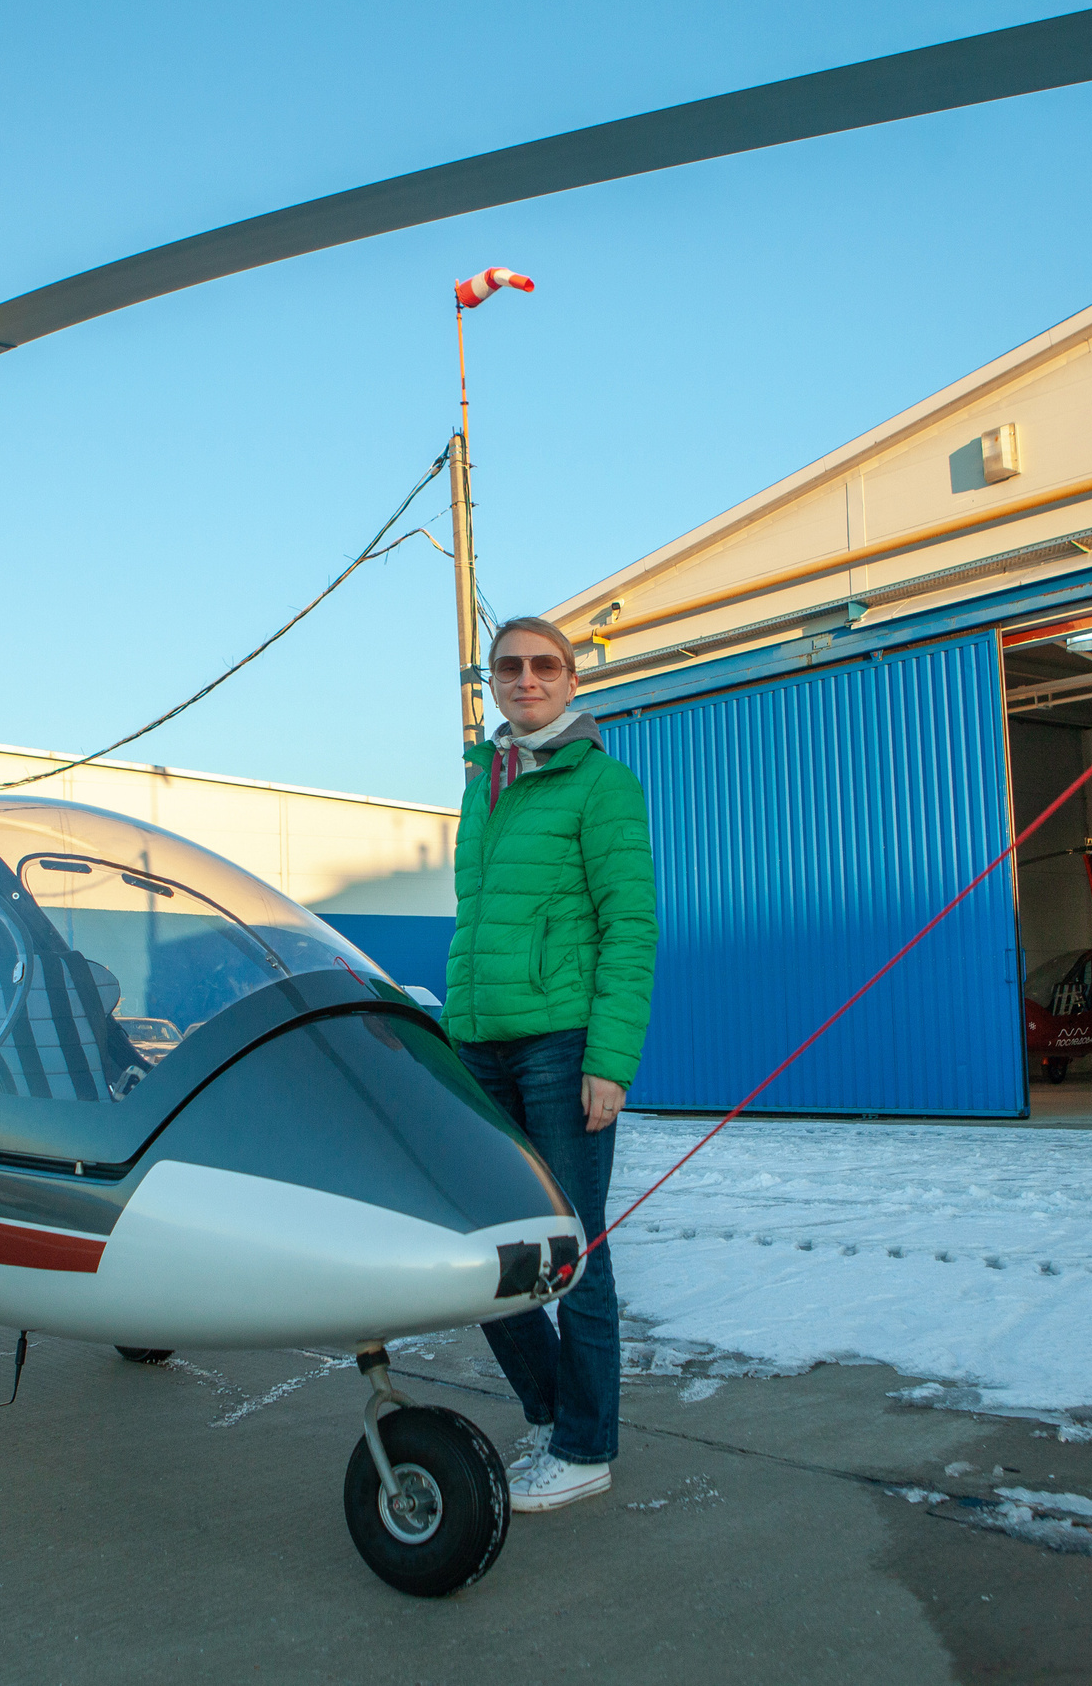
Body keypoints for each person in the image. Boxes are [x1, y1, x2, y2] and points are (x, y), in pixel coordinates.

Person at [444, 615, 658, 1512]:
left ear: (571, 681)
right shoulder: (484, 783)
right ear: (491, 682)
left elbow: (630, 925)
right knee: (492, 1249)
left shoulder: (601, 783)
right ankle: (550, 1413)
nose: (525, 678)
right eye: (508, 666)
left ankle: (584, 1446)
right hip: (480, 1042)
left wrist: (609, 1059)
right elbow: (472, 918)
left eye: (543, 665)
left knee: (578, 1249)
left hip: (560, 1044)